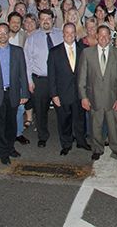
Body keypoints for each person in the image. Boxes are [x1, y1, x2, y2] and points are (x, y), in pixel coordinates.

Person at [0, 23, 29, 165]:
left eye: (5, 33)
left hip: (12, 92)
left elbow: (23, 73)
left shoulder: (17, 51)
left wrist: (25, 93)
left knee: (11, 124)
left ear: (9, 34)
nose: (2, 35)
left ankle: (10, 148)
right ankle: (2, 152)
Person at [79, 25, 117, 160]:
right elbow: (82, 77)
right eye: (101, 35)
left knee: (114, 126)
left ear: (110, 37)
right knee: (95, 125)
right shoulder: (87, 53)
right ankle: (97, 148)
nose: (104, 38)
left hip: (113, 98)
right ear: (97, 36)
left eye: (107, 35)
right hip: (94, 97)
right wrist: (84, 97)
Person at [48, 23, 90, 155]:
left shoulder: (83, 49)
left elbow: (88, 72)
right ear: (63, 34)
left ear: (75, 34)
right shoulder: (54, 52)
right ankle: (66, 144)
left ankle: (81, 141)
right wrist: (54, 95)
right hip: (62, 93)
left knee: (80, 119)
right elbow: (52, 75)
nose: (70, 35)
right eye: (67, 33)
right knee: (64, 120)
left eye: (72, 33)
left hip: (79, 93)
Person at [23, 9, 63, 147]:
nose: (46, 21)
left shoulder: (62, 35)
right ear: (39, 21)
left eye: (48, 18)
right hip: (40, 80)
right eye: (43, 19)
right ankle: (42, 136)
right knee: (40, 110)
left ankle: (65, 135)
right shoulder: (32, 38)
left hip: (58, 79)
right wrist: (29, 80)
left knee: (62, 109)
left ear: (53, 19)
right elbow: (27, 61)